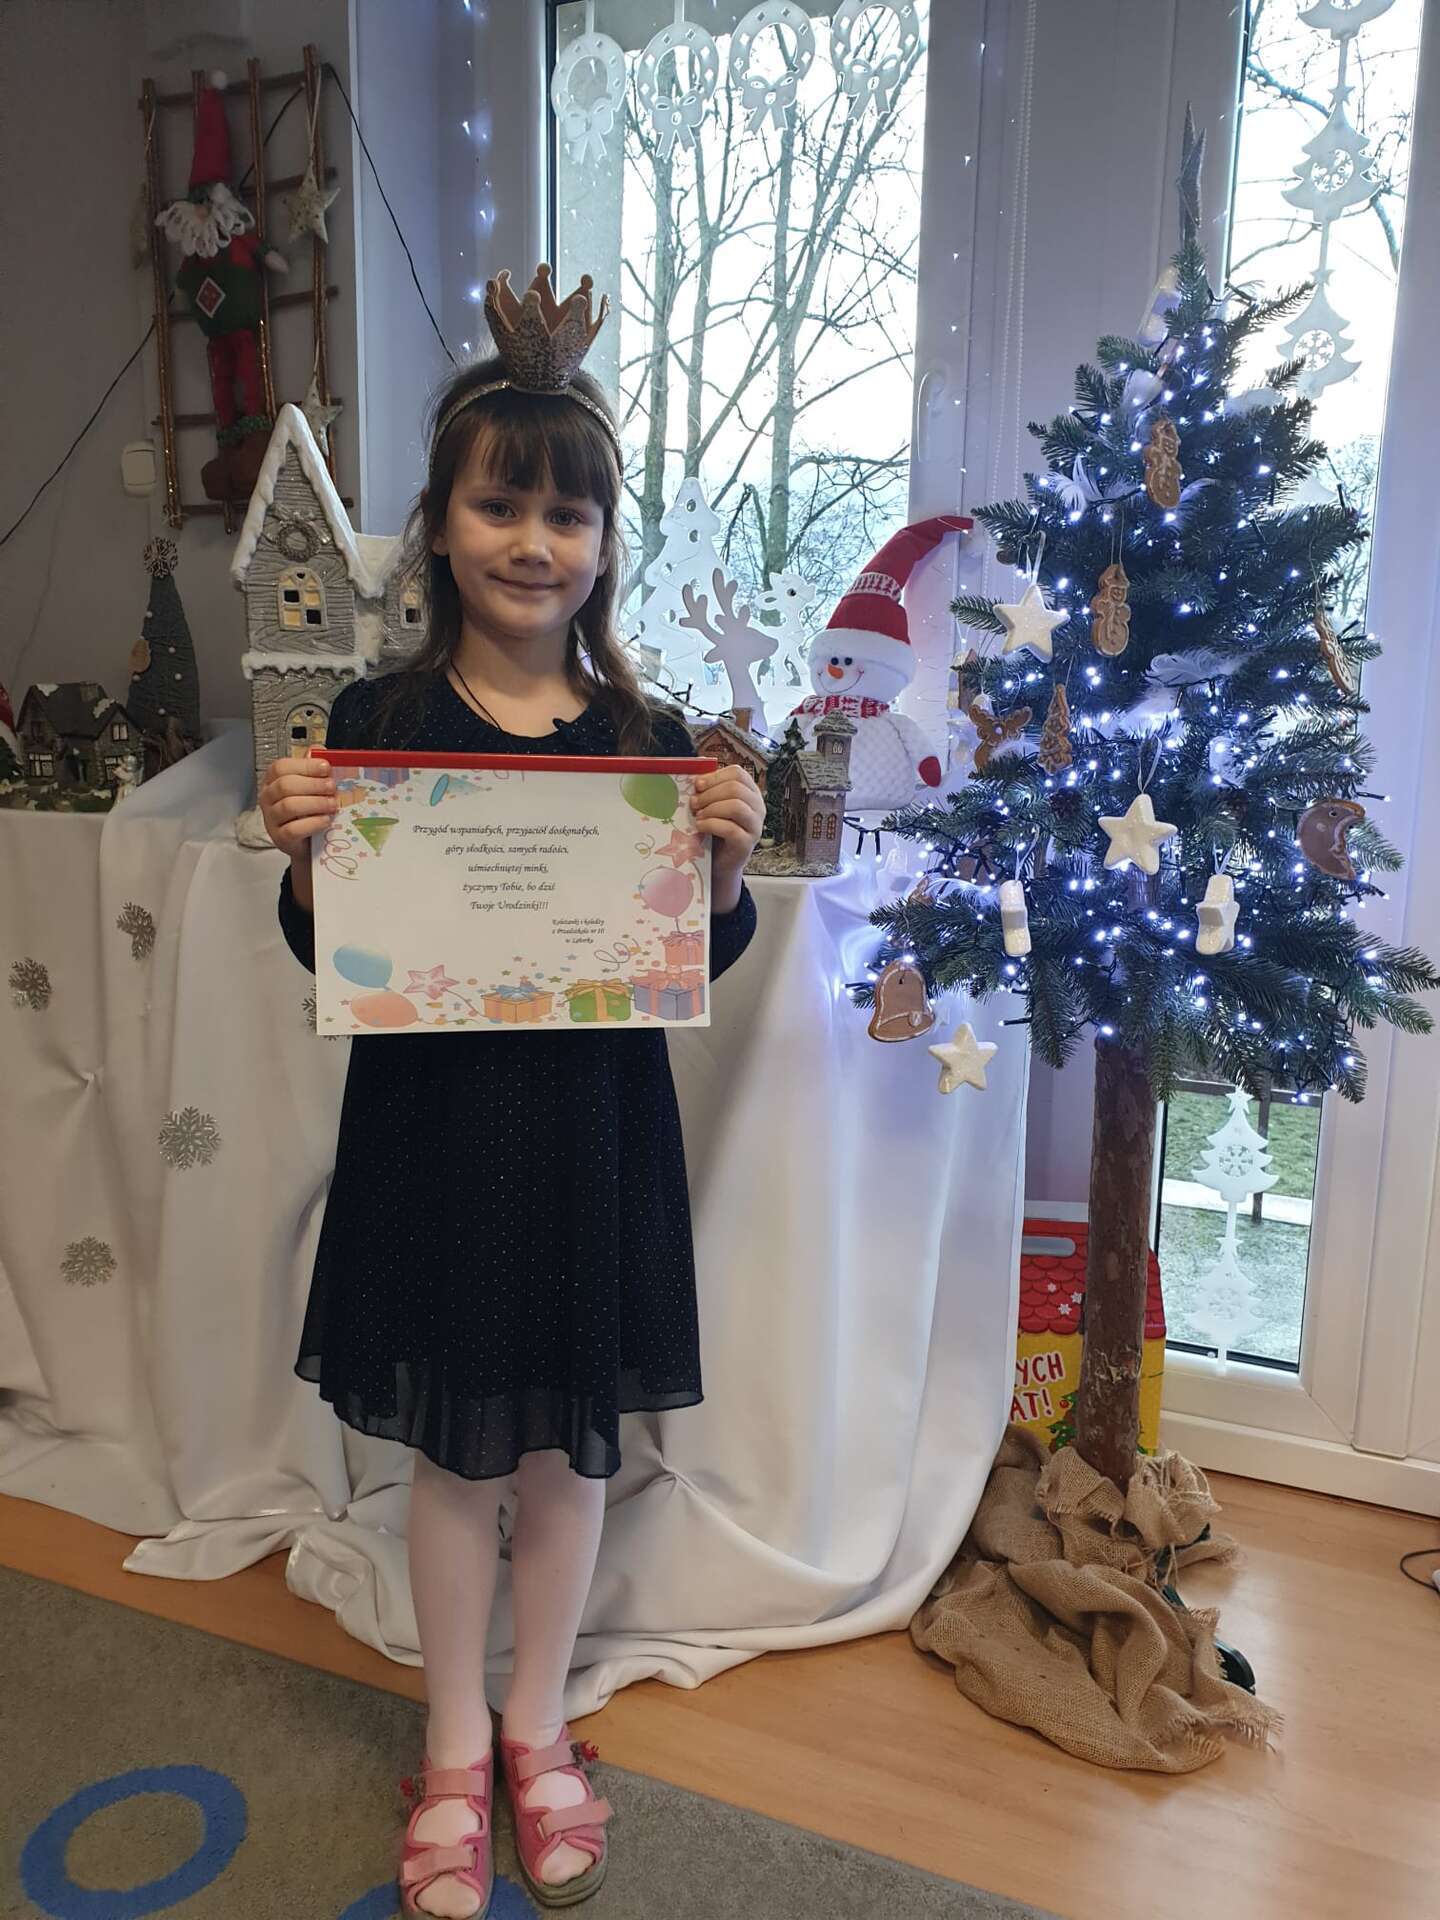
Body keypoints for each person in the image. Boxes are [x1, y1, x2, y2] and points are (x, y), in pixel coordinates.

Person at [258, 266, 763, 1919]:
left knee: (565, 1461)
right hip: (436, 1141)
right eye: (499, 506)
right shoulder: (378, 722)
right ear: (439, 525)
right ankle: (454, 1751)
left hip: (591, 1138)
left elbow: (699, 950)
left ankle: (540, 1727)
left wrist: (725, 864)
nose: (533, 542)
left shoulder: (648, 737)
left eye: (566, 513)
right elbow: (328, 948)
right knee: (455, 1462)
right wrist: (308, 856)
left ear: (605, 544)